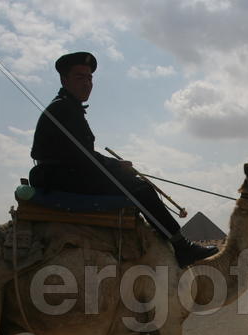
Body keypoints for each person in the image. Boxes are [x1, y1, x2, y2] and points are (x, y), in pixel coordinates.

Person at [29, 51, 218, 268]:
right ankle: (181, 246)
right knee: (141, 189)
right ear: (65, 80)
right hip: (59, 176)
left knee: (134, 183)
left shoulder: (67, 107)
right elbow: (82, 157)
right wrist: (116, 165)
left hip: (64, 172)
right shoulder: (63, 109)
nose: (87, 83)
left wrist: (114, 166)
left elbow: (80, 154)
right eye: (80, 77)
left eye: (90, 78)